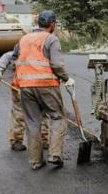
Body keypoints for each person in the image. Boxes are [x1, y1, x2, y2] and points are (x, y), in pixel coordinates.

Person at [6, 10, 75, 170]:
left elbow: (14, 57)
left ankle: (36, 161)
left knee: (32, 122)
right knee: (57, 117)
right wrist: (66, 78)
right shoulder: (51, 39)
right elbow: (57, 65)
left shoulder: (24, 39)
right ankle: (54, 154)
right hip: (46, 85)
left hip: (25, 87)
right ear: (52, 24)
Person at [0, 31, 49, 153]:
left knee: (40, 113)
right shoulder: (30, 47)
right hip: (23, 87)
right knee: (21, 113)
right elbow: (8, 56)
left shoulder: (39, 47)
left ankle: (42, 139)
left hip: (38, 86)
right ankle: (19, 140)